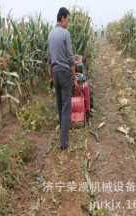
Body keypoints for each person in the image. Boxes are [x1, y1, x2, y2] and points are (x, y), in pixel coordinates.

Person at [47, 7, 78, 150]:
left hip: (56, 74)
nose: (68, 23)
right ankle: (64, 143)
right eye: (68, 20)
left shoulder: (50, 34)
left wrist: (51, 77)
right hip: (65, 73)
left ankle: (63, 137)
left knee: (60, 106)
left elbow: (49, 60)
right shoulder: (65, 33)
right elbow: (70, 58)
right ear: (63, 18)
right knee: (66, 107)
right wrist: (75, 78)